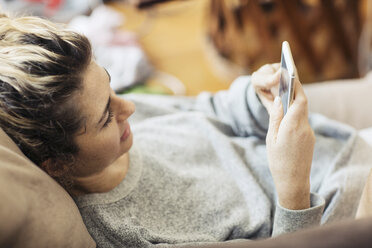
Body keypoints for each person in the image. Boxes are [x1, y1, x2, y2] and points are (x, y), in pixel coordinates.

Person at [0, 13, 371, 248]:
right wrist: (293, 185)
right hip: (349, 209)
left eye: (111, 86)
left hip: (344, 146)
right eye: (105, 118)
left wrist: (255, 93)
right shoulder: (128, 235)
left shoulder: (125, 116)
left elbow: (209, 109)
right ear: (56, 163)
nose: (129, 106)